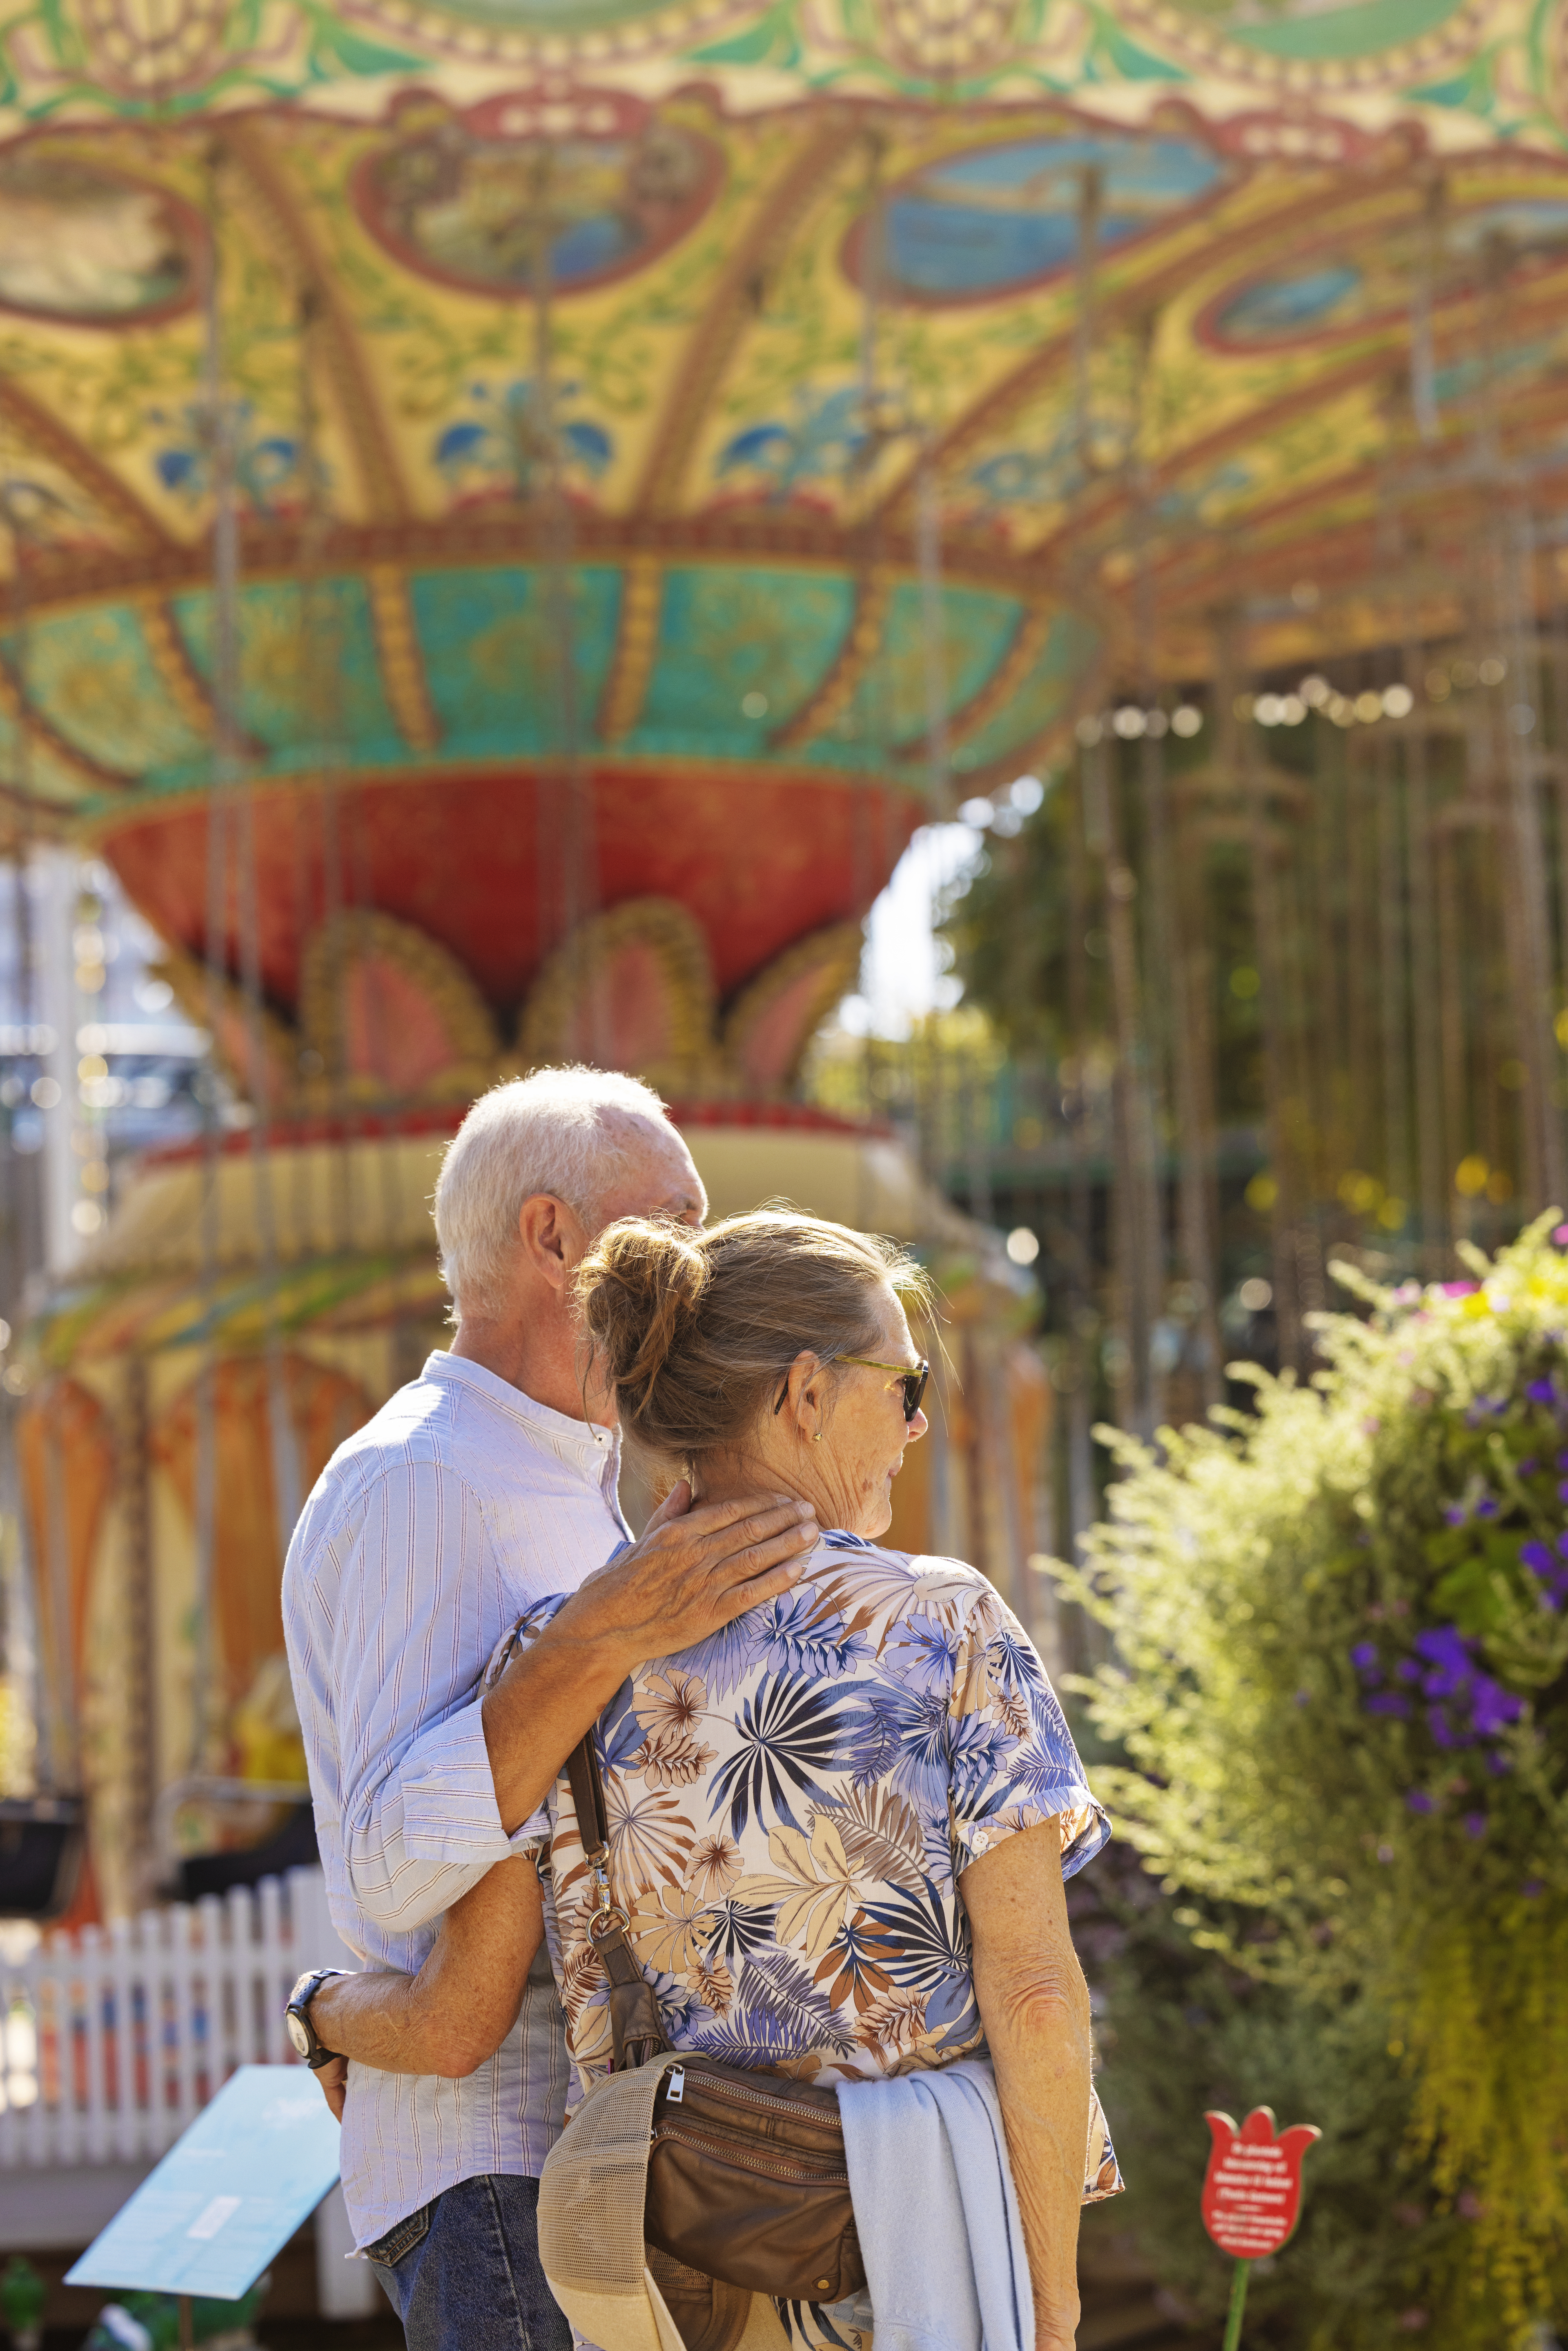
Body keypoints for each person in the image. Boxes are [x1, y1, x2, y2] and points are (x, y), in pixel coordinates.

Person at [303, 1208, 1118, 2351]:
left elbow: (474, 1992)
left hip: (678, 2286)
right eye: (905, 1382)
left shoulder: (561, 1659)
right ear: (803, 1394)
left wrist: (322, 2016)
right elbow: (1034, 1997)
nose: (919, 1422)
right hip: (921, 2253)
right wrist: (1055, 2307)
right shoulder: (947, 1627)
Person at [281, 1073, 820, 2351]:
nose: (706, 1265)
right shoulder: (423, 1478)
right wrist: (601, 1634)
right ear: (553, 1238)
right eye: (678, 1223)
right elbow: (391, 1865)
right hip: (497, 2172)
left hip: (583, 2163)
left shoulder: (560, 1477)